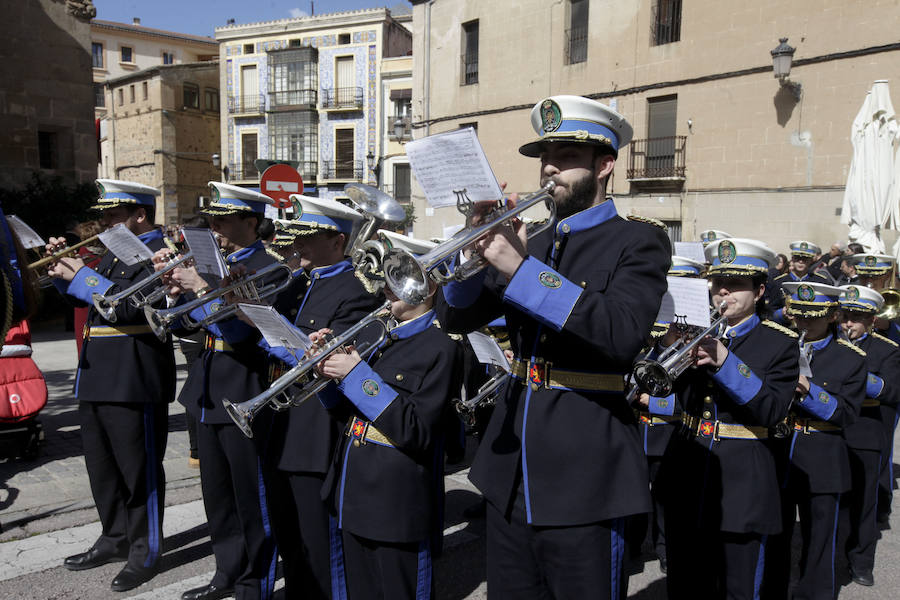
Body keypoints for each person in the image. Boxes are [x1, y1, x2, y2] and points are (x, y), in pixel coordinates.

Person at [435, 94, 671, 598]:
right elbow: (455, 315)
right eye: (546, 156)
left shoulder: (637, 242)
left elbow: (621, 332)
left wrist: (520, 270)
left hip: (584, 471)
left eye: (565, 157)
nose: (548, 168)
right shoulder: (537, 242)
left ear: (604, 165)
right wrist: (472, 243)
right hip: (511, 467)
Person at [305, 232, 463, 599]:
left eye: (403, 276)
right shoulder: (380, 337)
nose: (389, 286)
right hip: (353, 488)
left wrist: (356, 374)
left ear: (430, 287)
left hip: (395, 501)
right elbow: (347, 413)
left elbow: (416, 429)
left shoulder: (441, 348)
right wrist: (323, 372)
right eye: (391, 276)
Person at [46, 179, 175, 593]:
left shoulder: (158, 255)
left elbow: (126, 306)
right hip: (98, 373)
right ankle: (114, 536)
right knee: (102, 469)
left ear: (140, 215)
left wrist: (83, 273)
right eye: (103, 216)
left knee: (138, 471)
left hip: (134, 376)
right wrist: (63, 276)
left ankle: (145, 550)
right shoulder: (115, 253)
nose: (104, 223)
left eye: (113, 216)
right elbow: (89, 303)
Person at [655, 239, 797, 599]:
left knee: (738, 587)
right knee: (686, 583)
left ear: (760, 290)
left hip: (743, 483)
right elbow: (664, 395)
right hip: (687, 471)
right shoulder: (695, 332)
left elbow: (772, 409)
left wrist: (725, 362)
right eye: (718, 283)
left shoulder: (779, 343)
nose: (723, 292)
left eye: (735, 285)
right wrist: (667, 348)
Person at [261, 195, 383, 600]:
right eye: (298, 236)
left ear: (338, 240)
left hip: (316, 427)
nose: (300, 246)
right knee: (289, 531)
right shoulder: (297, 281)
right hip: (282, 422)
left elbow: (333, 358)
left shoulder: (357, 289)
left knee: (318, 538)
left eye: (310, 237)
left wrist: (281, 342)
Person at [161, 182, 279, 600]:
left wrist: (200, 288)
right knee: (218, 494)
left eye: (225, 220)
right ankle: (226, 571)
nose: (217, 228)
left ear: (252, 221)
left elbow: (240, 332)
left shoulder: (269, 266)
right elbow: (184, 327)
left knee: (252, 497)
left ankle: (255, 583)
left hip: (245, 386)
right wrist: (175, 295)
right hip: (208, 388)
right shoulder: (213, 263)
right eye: (213, 220)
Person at [764, 281, 865, 600]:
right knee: (774, 535)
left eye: (813, 316)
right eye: (798, 315)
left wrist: (810, 391)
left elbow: (847, 413)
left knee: (820, 539)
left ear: (833, 315)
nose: (803, 322)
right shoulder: (780, 344)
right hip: (779, 452)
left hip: (823, 457)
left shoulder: (851, 358)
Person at [631, 255, 706, 573]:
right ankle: (633, 548)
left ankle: (664, 549)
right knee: (634, 496)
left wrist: (653, 401)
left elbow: (692, 404)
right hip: (639, 432)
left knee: (665, 499)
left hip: (669, 436)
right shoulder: (648, 346)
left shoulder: (694, 353)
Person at [838, 284, 900, 586]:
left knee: (863, 504)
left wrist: (855, 374)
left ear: (872, 321)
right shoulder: (830, 343)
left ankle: (861, 562)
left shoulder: (888, 351)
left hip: (865, 434)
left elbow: (892, 391)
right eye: (845, 315)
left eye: (856, 317)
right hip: (831, 433)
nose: (848, 323)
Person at [768, 240, 832, 323]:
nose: (801, 261)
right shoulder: (779, 282)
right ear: (792, 259)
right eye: (797, 258)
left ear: (811, 260)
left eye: (805, 258)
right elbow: (771, 310)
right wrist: (781, 313)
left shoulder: (821, 281)